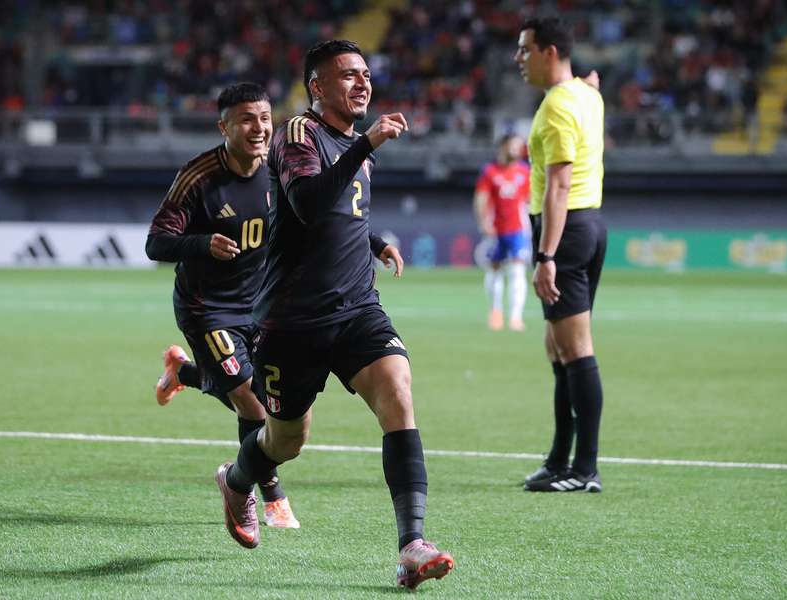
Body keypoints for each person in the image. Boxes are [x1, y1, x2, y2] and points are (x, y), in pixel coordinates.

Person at [212, 40, 454, 590]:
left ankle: (411, 544)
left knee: (398, 390)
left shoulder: (350, 145)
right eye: (348, 76)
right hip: (292, 321)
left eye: (366, 74)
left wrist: (373, 240)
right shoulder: (300, 133)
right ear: (317, 87)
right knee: (285, 441)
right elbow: (307, 203)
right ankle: (238, 477)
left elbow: (338, 216)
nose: (362, 83)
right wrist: (366, 143)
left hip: (356, 309)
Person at [146, 82, 403, 529]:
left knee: (261, 398)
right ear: (223, 126)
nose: (259, 128)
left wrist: (374, 242)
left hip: (266, 304)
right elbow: (156, 242)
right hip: (209, 309)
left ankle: (185, 373)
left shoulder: (281, 165)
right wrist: (203, 243)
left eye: (265, 118)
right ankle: (266, 496)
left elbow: (324, 211)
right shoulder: (198, 176)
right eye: (246, 119)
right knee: (252, 404)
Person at [514, 17, 607, 493]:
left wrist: (545, 255)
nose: (518, 59)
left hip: (565, 231)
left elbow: (559, 183)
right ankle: (559, 459)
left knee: (575, 348)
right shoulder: (586, 95)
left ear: (549, 52)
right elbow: (590, 84)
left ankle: (584, 469)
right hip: (584, 224)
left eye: (525, 49)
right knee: (558, 347)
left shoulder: (556, 109)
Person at [473, 134, 530, 331]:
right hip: (496, 230)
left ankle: (515, 317)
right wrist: (483, 221)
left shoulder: (525, 172)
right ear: (503, 147)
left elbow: (531, 200)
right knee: (494, 269)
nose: (517, 149)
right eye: (513, 145)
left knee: (517, 270)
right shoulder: (490, 172)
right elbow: (481, 198)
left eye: (519, 146)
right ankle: (496, 312)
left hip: (518, 229)